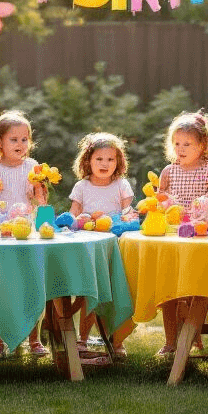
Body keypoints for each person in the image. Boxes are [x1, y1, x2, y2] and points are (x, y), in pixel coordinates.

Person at [0, 110, 47, 358]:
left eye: (24, 139)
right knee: (1, 286)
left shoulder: (33, 167)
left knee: (31, 284)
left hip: (26, 233)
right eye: (14, 140)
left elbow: (40, 202)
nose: (21, 145)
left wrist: (37, 194)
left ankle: (34, 339)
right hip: (1, 235)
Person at [157, 111, 208, 355]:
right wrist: (160, 200)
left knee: (195, 287)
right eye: (176, 143)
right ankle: (170, 341)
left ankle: (193, 335)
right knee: (169, 289)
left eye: (187, 144)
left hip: (200, 235)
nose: (180, 149)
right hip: (174, 235)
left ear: (202, 145)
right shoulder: (168, 171)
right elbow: (160, 203)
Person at [69, 132, 133, 354]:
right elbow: (72, 217)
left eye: (111, 159)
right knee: (89, 293)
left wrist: (128, 216)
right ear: (88, 161)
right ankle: (82, 339)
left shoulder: (121, 185)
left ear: (119, 162)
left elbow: (127, 212)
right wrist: (78, 220)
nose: (105, 164)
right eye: (99, 159)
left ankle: (117, 341)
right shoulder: (82, 187)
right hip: (88, 248)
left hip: (114, 248)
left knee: (114, 294)